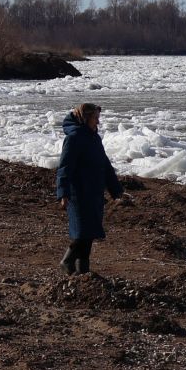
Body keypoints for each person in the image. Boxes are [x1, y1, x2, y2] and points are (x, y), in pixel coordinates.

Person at [55, 102, 124, 274]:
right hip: (79, 193)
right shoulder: (74, 138)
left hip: (94, 192)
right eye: (95, 118)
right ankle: (66, 262)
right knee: (83, 232)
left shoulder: (94, 138)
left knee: (89, 233)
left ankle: (83, 271)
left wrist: (116, 191)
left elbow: (105, 165)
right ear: (85, 118)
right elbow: (65, 168)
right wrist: (63, 193)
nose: (98, 123)